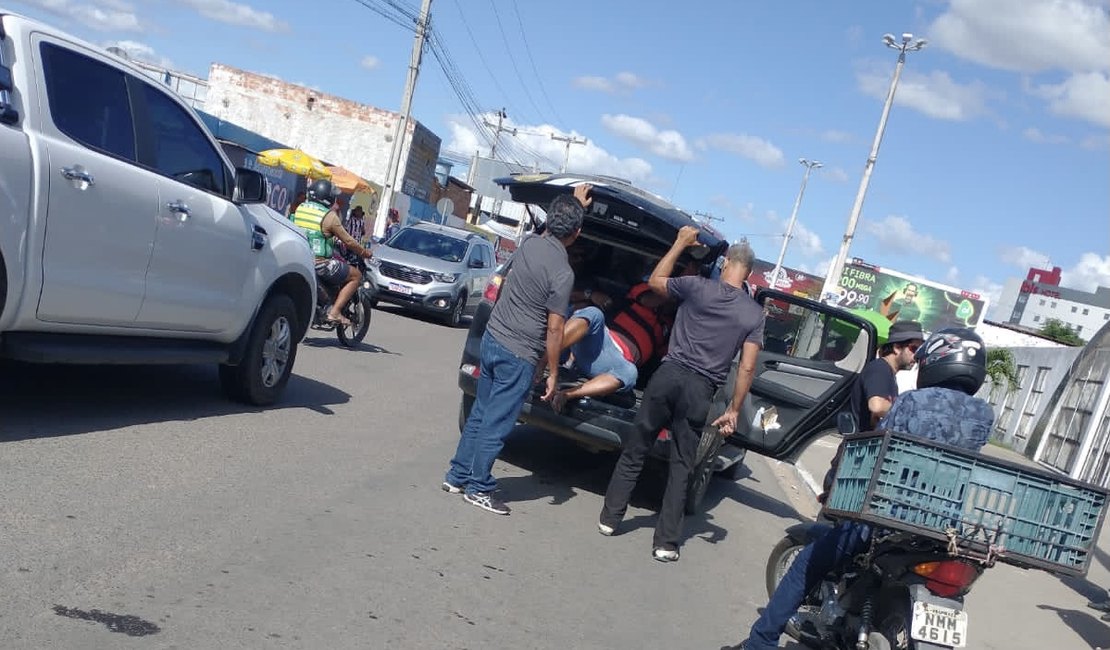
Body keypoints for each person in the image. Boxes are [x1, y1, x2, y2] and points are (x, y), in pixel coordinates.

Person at [722, 327, 995, 650]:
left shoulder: (911, 402)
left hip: (886, 520)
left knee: (806, 565)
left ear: (936, 361)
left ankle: (759, 643)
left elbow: (879, 452)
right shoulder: (985, 415)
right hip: (940, 530)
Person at [598, 228, 765, 562]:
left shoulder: (696, 287)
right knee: (681, 465)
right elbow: (746, 368)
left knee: (637, 446)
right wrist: (733, 409)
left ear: (727, 262)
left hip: (667, 375)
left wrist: (679, 243)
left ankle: (610, 518)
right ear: (748, 272)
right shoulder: (753, 314)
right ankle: (666, 543)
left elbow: (656, 281)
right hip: (701, 389)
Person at [442, 185, 587, 516]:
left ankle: (457, 475)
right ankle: (478, 487)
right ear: (577, 234)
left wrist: (573, 204)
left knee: (481, 412)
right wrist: (552, 371)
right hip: (518, 354)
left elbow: (553, 226)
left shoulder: (529, 243)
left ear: (550, 220)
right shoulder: (563, 273)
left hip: (493, 340)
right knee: (498, 422)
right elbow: (555, 329)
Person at [549, 281, 674, 413]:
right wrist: (674, 290)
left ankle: (568, 394)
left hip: (616, 364)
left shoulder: (671, 327)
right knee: (594, 313)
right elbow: (649, 300)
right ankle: (545, 362)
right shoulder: (644, 294)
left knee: (630, 373)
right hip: (601, 342)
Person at [291, 179, 372, 326]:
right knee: (356, 276)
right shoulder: (329, 216)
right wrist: (364, 252)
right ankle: (334, 312)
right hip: (320, 263)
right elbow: (348, 241)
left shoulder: (301, 208)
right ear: (327, 197)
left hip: (299, 257)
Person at [848, 320, 925, 431]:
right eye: (914, 349)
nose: (917, 356)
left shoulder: (888, 373)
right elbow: (877, 406)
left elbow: (875, 418)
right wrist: (908, 412)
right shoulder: (880, 369)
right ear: (897, 347)